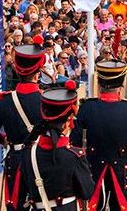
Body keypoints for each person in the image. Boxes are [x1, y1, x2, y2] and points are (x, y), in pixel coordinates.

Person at [71, 60, 127, 211]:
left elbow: (75, 142)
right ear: (121, 84)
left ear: (99, 83)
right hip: (122, 170)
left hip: (93, 167)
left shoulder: (86, 107)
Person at [0, 39, 45, 211]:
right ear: (38, 72)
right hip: (40, 158)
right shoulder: (45, 101)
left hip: (16, 159)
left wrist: (4, 140)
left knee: (16, 205)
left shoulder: (5, 101)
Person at [21, 83, 94, 211]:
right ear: (68, 121)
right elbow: (87, 192)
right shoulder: (74, 156)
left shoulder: (28, 153)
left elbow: (25, 187)